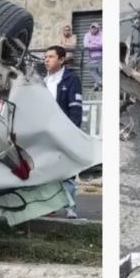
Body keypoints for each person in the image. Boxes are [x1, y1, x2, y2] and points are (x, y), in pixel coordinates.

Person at [43, 45, 83, 218]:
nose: (46, 60)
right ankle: (49, 206)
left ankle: (70, 207)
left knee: (66, 171)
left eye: (51, 57)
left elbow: (76, 108)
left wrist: (71, 132)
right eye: (45, 57)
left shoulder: (70, 79)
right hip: (46, 134)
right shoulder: (42, 82)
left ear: (61, 60)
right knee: (47, 171)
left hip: (65, 132)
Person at [83, 22, 103, 91]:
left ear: (98, 29)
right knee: (93, 70)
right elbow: (86, 45)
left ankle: (98, 84)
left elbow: (102, 44)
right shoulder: (87, 35)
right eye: (92, 28)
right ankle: (100, 83)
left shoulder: (102, 34)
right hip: (91, 56)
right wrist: (97, 45)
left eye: (95, 28)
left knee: (98, 71)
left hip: (101, 56)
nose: (93, 30)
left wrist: (92, 44)